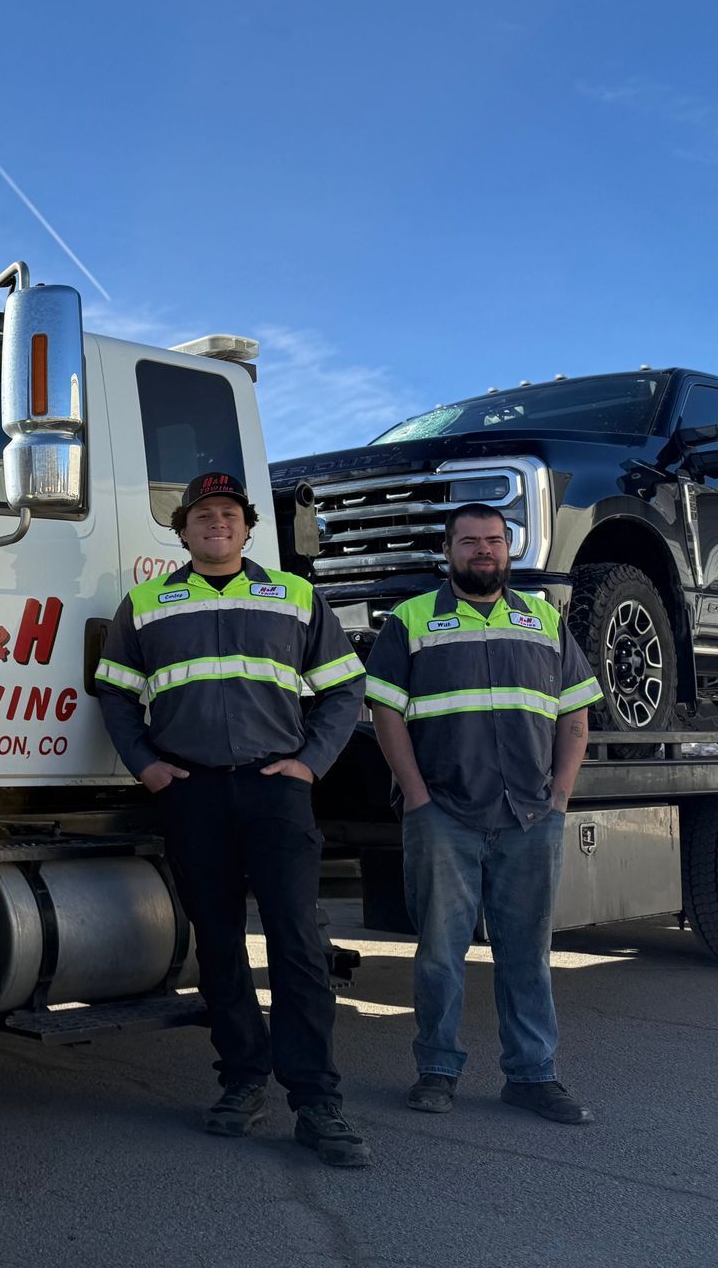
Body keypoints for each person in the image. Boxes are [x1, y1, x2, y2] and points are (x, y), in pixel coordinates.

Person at [92, 471, 371, 1167]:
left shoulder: (296, 597)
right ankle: (242, 1079)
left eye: (229, 514)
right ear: (182, 530)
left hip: (277, 788)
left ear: (248, 529)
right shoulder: (148, 604)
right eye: (202, 514)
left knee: (297, 944)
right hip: (192, 794)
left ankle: (316, 1101)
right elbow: (116, 694)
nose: (216, 523)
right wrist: (147, 766)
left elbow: (344, 689)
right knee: (217, 945)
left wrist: (310, 763)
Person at [365, 502, 603, 1124]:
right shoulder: (411, 620)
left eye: (493, 540)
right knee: (440, 954)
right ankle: (437, 1070)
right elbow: (385, 713)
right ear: (448, 550)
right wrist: (415, 797)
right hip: (443, 813)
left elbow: (574, 716)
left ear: (508, 548)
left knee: (527, 953)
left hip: (529, 815)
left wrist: (558, 801)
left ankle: (532, 1076)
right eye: (468, 541)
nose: (482, 551)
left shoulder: (544, 620)